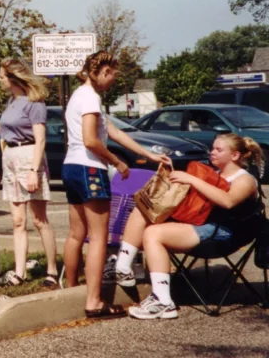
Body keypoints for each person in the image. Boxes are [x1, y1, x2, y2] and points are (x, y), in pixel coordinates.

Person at [62, 50, 171, 318]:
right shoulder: (90, 97)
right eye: (110, 74)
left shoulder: (79, 95)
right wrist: (116, 162)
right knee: (99, 237)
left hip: (71, 167)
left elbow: (115, 132)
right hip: (90, 168)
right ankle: (94, 302)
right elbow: (91, 140)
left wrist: (148, 155)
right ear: (99, 72)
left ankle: (71, 290)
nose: (112, 79)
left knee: (76, 234)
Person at [109, 133, 264, 320]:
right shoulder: (213, 174)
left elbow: (228, 201)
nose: (212, 152)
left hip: (223, 233)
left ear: (235, 156)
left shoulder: (244, 179)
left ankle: (163, 302)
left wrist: (191, 179)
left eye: (218, 149)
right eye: (213, 148)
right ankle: (123, 267)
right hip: (201, 225)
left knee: (153, 234)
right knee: (143, 208)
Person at [0, 58, 59, 288]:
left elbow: (40, 140)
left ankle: (52, 271)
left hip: (28, 157)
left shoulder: (34, 102)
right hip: (10, 157)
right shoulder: (12, 101)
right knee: (18, 221)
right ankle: (19, 272)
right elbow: (10, 130)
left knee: (39, 220)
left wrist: (33, 170)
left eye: (2, 76)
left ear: (13, 78)